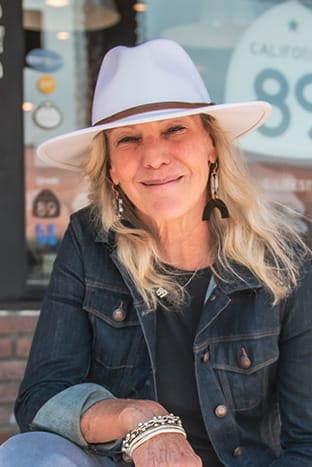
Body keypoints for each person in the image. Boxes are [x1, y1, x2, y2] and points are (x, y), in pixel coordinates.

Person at [1, 38, 312, 467]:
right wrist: (139, 419)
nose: (154, 156)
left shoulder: (285, 255)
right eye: (129, 139)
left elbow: (307, 441)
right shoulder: (89, 239)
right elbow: (40, 400)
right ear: (110, 167)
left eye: (175, 129)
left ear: (211, 147)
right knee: (28, 454)